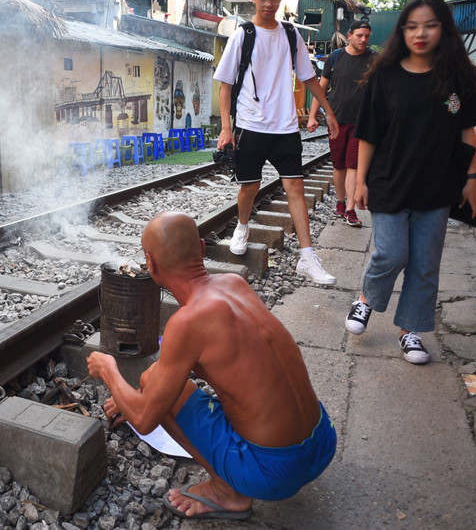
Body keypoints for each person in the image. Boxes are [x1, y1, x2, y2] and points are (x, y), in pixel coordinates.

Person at [87, 212, 335, 520]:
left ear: (150, 265)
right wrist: (135, 398)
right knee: (158, 384)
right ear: (202, 250)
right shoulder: (234, 283)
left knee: (151, 381)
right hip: (323, 441)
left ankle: (226, 492)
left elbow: (145, 418)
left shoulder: (188, 323)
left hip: (274, 473)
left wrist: (108, 369)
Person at [344, 0, 476, 364]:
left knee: (425, 263)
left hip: (438, 185)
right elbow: (368, 133)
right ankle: (366, 300)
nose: (420, 33)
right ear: (402, 31)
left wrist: (471, 178)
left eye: (430, 25)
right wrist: (360, 182)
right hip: (390, 181)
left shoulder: (457, 79)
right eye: (411, 26)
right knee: (392, 253)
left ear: (444, 29)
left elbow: (467, 133)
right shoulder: (384, 76)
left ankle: (411, 331)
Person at [215, 0, 340, 285]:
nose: (270, 3)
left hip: (285, 127)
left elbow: (309, 77)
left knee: (295, 187)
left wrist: (328, 111)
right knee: (250, 187)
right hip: (250, 125)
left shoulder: (290, 34)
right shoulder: (243, 35)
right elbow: (225, 85)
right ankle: (243, 225)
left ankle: (307, 257)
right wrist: (226, 128)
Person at [307, 20, 376, 227]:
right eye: (359, 35)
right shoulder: (335, 58)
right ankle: (340, 202)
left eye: (367, 36)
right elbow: (321, 88)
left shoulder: (374, 59)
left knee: (352, 164)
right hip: (336, 121)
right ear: (350, 35)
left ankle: (350, 209)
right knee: (339, 166)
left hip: (361, 123)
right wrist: (312, 116)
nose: (363, 40)